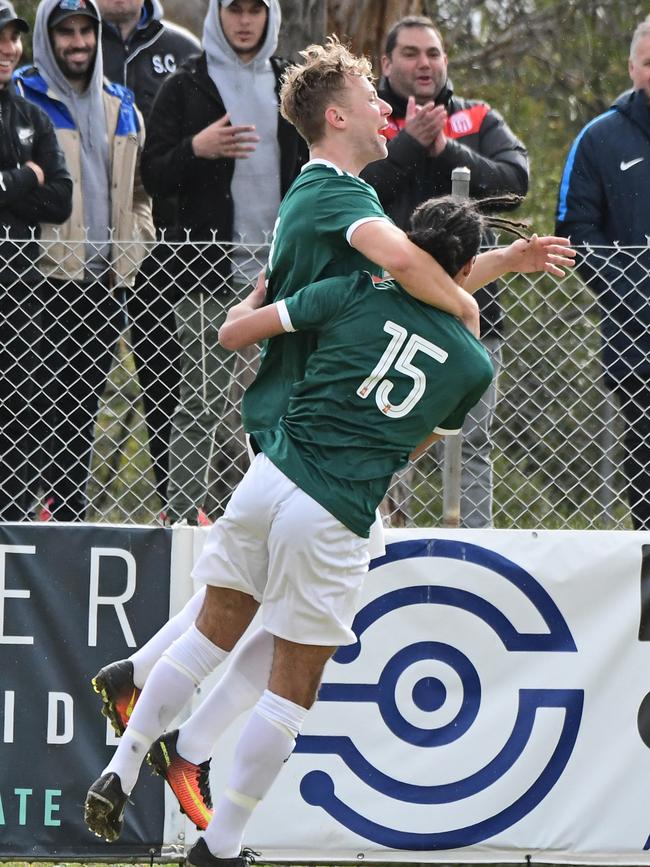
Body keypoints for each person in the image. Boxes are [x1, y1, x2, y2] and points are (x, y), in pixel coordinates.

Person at [84, 38, 575, 855]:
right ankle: (211, 813)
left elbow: (378, 284)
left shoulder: (345, 264)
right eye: (370, 97)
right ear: (338, 115)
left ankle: (149, 718)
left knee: (230, 620)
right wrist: (474, 307)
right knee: (280, 661)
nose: (387, 107)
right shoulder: (344, 205)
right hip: (315, 459)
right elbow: (409, 275)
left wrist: (489, 271)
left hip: (280, 455)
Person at [139, 0, 308, 525]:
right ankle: (184, 518)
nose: (244, 20)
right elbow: (154, 176)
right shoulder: (187, 85)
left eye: (255, 10)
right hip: (205, 278)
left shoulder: (291, 85)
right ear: (217, 14)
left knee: (280, 408)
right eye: (233, 9)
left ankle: (263, 520)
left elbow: (315, 165)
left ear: (269, 16)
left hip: (281, 280)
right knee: (201, 406)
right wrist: (196, 147)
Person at [361, 15, 530, 528]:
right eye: (410, 53)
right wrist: (409, 143)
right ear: (387, 64)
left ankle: (474, 550)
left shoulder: (476, 118)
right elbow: (358, 187)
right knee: (389, 438)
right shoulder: (371, 120)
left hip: (472, 309)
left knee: (472, 441)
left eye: (433, 53)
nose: (424, 63)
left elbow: (515, 180)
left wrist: (447, 151)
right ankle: (387, 545)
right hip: (391, 311)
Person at [15, 0, 154, 521]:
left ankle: (69, 524)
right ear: (47, 40)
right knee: (32, 413)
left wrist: (137, 240)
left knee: (80, 417)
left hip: (104, 286)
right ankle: (24, 521)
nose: (77, 42)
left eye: (84, 30)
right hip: (40, 284)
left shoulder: (122, 103)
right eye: (64, 32)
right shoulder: (23, 97)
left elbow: (141, 191)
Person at [98, 0, 200, 515]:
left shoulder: (183, 50)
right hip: (84, 255)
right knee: (63, 390)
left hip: (163, 258)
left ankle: (174, 506)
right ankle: (53, 509)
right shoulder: (66, 40)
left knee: (168, 388)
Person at [556, 16, 650, 531]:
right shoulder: (600, 138)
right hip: (638, 350)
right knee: (646, 497)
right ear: (633, 66)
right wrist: (636, 293)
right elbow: (575, 231)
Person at [0, 0, 72, 519]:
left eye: (14, 38)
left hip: (22, 282)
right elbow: (40, 186)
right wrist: (26, 178)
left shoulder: (31, 115)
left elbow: (62, 200)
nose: (8, 49)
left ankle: (19, 515)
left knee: (25, 402)